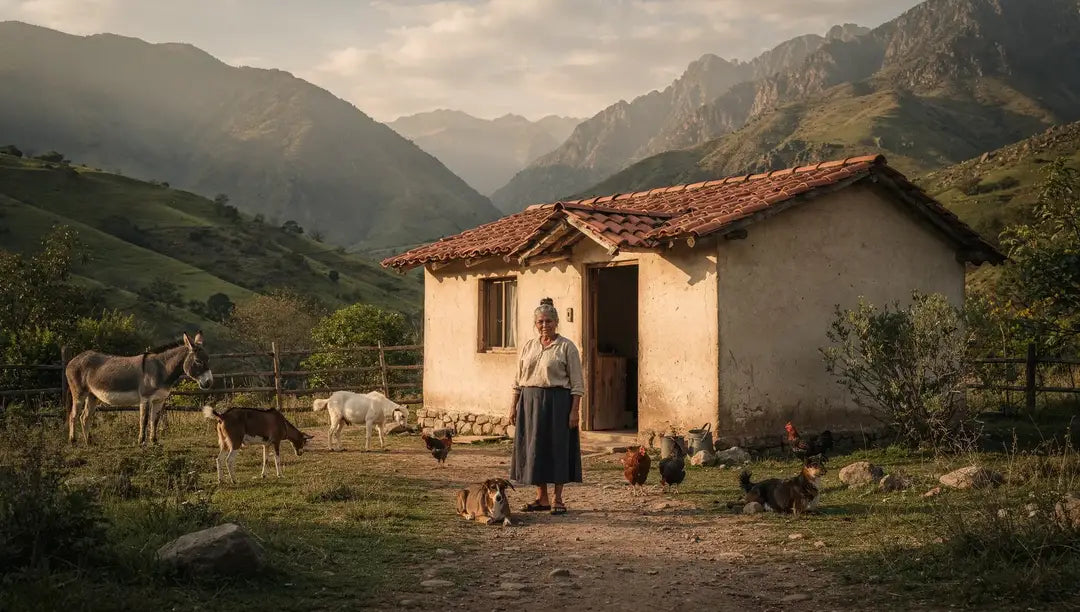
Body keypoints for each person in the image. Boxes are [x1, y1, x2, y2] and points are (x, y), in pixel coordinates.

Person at [508, 297, 584, 515]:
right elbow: (518, 378)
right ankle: (541, 498)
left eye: (549, 321)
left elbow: (577, 383)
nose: (544, 325)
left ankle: (558, 499)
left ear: (556, 322)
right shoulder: (529, 346)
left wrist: (574, 410)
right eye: (540, 321)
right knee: (535, 448)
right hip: (529, 401)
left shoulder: (566, 347)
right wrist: (513, 406)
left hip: (558, 403)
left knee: (558, 447)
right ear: (535, 324)